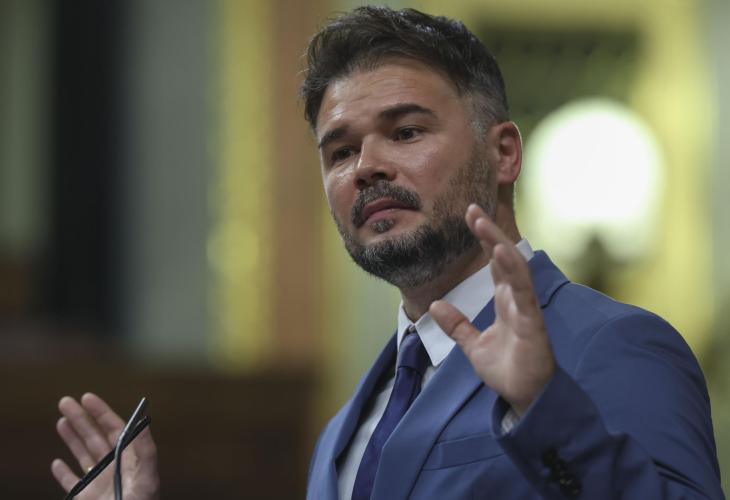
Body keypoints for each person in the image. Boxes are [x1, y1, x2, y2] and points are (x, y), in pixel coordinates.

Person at [51, 6, 724, 500]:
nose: (366, 166)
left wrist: (546, 408)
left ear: (503, 153)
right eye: (341, 151)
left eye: (405, 132)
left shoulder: (611, 345)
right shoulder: (342, 430)